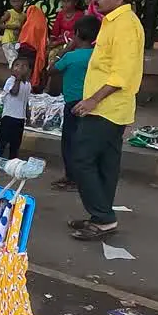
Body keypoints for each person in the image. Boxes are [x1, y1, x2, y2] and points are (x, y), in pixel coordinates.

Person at [69, 0, 144, 241]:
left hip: (106, 108)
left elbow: (120, 74)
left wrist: (92, 100)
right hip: (108, 107)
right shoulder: (113, 22)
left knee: (82, 159)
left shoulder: (125, 25)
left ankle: (102, 216)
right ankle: (101, 217)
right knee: (104, 163)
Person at [48, 14, 100, 191]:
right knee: (85, 141)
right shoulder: (97, 56)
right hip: (92, 102)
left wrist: (66, 49)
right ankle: (84, 176)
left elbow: (51, 70)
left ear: (76, 34)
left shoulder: (72, 57)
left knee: (69, 142)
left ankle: (72, 177)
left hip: (72, 104)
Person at [0, 48, 33, 159]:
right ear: (12, 69)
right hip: (9, 117)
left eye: (24, 66)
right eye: (17, 65)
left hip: (20, 118)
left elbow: (25, 100)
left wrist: (28, 114)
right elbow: (14, 92)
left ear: (29, 70)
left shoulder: (28, 84)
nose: (20, 68)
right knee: (2, 141)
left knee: (15, 143)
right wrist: (17, 79)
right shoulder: (11, 81)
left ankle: (12, 160)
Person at [0, 0, 26, 65]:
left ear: (23, 1)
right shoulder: (9, 13)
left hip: (17, 41)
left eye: (19, 1)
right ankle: (14, 75)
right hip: (8, 41)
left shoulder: (24, 15)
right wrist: (12, 26)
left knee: (18, 58)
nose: (16, 4)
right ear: (10, 2)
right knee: (13, 60)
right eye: (14, 1)